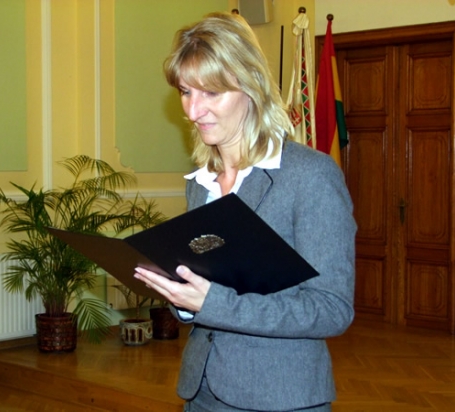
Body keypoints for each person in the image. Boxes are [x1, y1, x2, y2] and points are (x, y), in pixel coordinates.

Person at [133, 11, 356, 412]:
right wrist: (180, 295)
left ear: (251, 85)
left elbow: (331, 309)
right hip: (201, 391)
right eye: (185, 92)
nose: (193, 111)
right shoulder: (201, 181)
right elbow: (206, 289)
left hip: (280, 397)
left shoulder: (309, 176)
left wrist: (213, 303)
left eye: (210, 93)